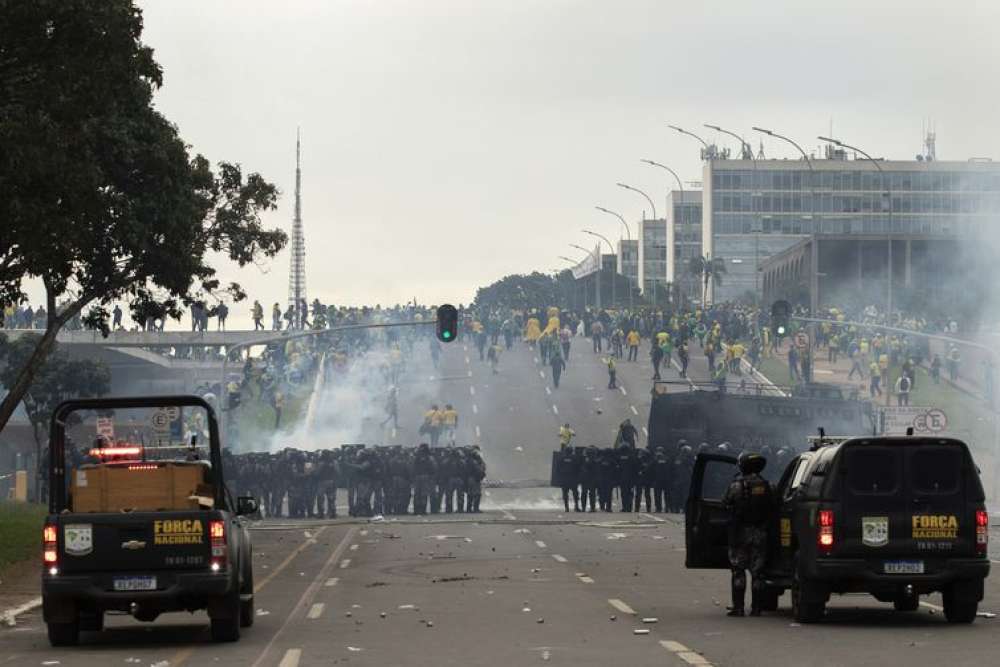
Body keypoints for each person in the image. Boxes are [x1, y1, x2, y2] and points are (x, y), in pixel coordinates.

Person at [722, 452, 774, 617]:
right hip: (761, 533)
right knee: (758, 572)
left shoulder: (737, 485)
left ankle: (738, 607)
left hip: (740, 534)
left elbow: (725, 503)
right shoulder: (768, 485)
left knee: (738, 570)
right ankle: (757, 608)